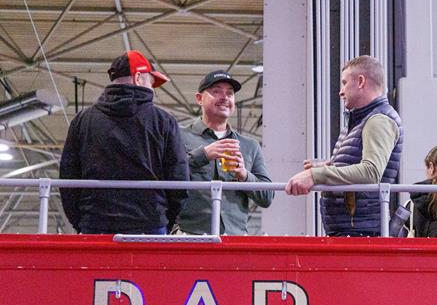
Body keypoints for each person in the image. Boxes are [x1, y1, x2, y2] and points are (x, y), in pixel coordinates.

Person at [59, 50, 189, 234]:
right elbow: (178, 178)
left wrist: (81, 222)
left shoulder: (83, 120)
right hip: (150, 224)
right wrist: (166, 221)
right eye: (151, 83)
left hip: (95, 224)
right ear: (138, 78)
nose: (152, 89)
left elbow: (68, 176)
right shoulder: (163, 121)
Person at [285, 56, 403, 236]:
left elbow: (371, 172)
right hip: (355, 231)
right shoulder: (361, 121)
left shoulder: (378, 120)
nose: (340, 91)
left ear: (361, 81)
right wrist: (330, 166)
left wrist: (315, 175)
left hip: (362, 235)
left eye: (344, 82)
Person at [177, 70, 273, 235]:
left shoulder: (249, 145)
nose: (225, 97)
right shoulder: (178, 136)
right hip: (190, 236)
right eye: (216, 91)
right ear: (199, 98)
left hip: (235, 239)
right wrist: (203, 155)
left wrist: (244, 175)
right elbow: (167, 175)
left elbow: (267, 197)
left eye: (230, 93)